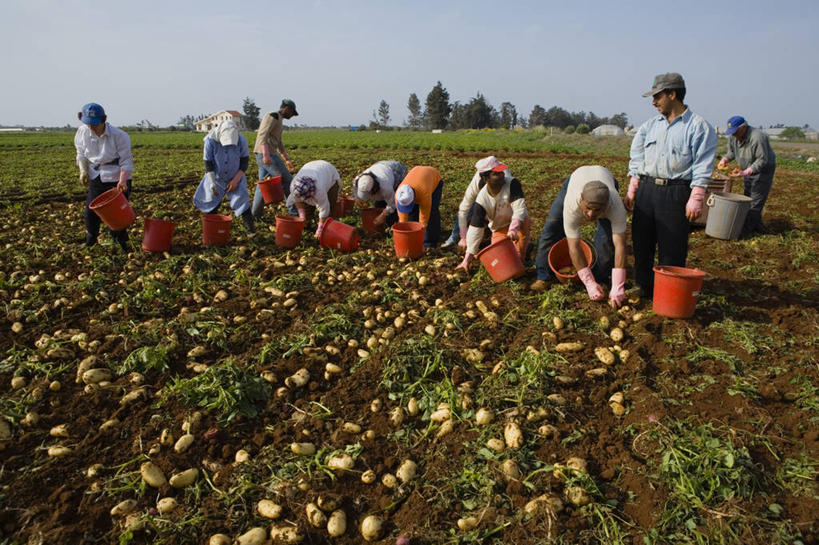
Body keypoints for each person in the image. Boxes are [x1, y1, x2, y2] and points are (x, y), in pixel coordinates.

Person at [624, 72, 717, 297]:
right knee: (642, 242)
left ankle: (668, 292)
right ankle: (643, 286)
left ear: (672, 94)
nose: (654, 102)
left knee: (672, 245)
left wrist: (696, 197)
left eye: (658, 96)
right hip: (647, 189)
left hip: (676, 191)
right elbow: (637, 156)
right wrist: (633, 187)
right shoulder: (649, 126)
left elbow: (703, 165)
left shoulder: (698, 127)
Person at [531, 166, 629, 308]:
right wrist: (588, 283)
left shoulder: (615, 206)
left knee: (607, 240)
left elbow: (620, 245)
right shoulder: (572, 202)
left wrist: (618, 285)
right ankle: (543, 276)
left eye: (597, 210)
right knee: (552, 227)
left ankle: (601, 279)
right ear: (582, 197)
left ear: (606, 205)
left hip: (607, 181)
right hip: (576, 178)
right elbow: (574, 247)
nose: (590, 215)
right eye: (588, 208)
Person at [74, 103, 134, 251]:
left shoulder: (119, 136)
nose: (92, 128)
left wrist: (122, 181)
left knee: (116, 214)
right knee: (90, 210)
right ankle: (91, 239)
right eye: (88, 124)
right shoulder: (82, 132)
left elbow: (126, 161)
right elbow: (81, 154)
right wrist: (83, 171)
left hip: (117, 176)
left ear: (104, 119)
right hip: (97, 175)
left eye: (95, 124)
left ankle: (121, 243)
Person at [454, 157, 531, 272]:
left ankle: (524, 252)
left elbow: (519, 208)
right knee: (502, 261)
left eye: (501, 172)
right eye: (496, 174)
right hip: (498, 227)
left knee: (518, 260)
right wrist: (466, 260)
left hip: (518, 223)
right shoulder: (481, 199)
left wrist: (513, 229)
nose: (502, 175)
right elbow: (475, 229)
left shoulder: (512, 183)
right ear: (485, 178)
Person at [192, 120, 255, 236]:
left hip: (236, 175)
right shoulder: (210, 141)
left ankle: (250, 231)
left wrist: (235, 181)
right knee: (211, 203)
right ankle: (212, 231)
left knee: (242, 201)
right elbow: (208, 163)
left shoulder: (241, 141)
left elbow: (244, 163)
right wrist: (212, 182)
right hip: (216, 177)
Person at [717, 116, 776, 237]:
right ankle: (758, 225)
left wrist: (746, 172)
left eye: (736, 132)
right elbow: (732, 152)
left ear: (743, 127)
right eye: (732, 133)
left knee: (755, 201)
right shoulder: (734, 137)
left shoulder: (758, 137)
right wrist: (724, 160)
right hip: (747, 169)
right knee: (748, 196)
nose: (734, 135)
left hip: (763, 171)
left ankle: (745, 232)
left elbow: (762, 159)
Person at [442, 156, 515, 248]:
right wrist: (463, 237)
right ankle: (454, 237)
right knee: (471, 211)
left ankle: (507, 239)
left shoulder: (506, 182)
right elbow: (463, 211)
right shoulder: (475, 186)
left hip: (505, 201)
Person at [251, 99, 298, 218]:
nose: (292, 116)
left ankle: (255, 215)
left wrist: (286, 157)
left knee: (262, 185)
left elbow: (278, 141)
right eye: (292, 113)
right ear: (287, 108)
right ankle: (294, 212)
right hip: (266, 155)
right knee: (287, 180)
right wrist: (266, 155)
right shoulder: (273, 115)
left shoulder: (279, 119)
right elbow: (263, 134)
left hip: (269, 154)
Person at [285, 160, 341, 239]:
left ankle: (328, 232)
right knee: (307, 210)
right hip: (312, 167)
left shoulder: (319, 190)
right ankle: (307, 225)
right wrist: (302, 216)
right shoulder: (294, 185)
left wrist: (320, 228)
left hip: (329, 172)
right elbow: (297, 200)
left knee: (330, 211)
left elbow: (324, 210)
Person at [395, 166, 444, 248]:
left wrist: (421, 231)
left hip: (434, 178)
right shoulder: (399, 194)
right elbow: (402, 219)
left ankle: (430, 242)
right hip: (417, 173)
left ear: (414, 198)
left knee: (432, 212)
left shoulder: (424, 192)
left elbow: (424, 217)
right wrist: (405, 236)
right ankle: (413, 238)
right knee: (412, 213)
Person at [352, 160, 408, 228]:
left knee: (393, 210)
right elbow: (355, 190)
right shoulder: (358, 180)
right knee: (378, 206)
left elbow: (393, 204)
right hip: (381, 166)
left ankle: (392, 225)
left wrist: (383, 215)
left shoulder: (385, 187)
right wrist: (357, 199)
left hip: (397, 171)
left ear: (374, 189)